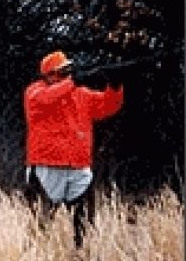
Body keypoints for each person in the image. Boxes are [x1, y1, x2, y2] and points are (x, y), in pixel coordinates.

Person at [23, 49, 123, 249]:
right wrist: (73, 82)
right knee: (41, 224)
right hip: (46, 169)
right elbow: (46, 99)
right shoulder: (35, 92)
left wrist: (115, 85)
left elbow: (107, 106)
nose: (68, 74)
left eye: (69, 70)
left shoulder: (81, 94)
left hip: (79, 168)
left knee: (85, 222)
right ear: (49, 75)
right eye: (63, 71)